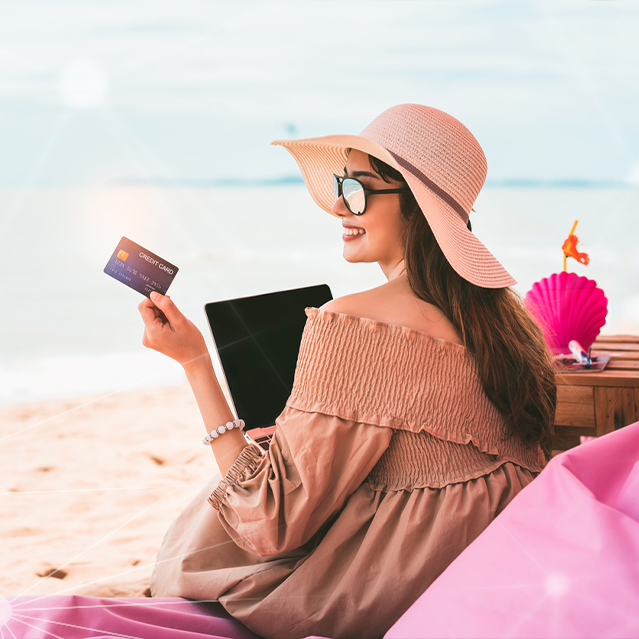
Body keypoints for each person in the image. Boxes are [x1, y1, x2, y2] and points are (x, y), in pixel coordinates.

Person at [139, 104, 557, 639]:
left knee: (208, 526)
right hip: (485, 569)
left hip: (395, 587)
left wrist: (195, 362)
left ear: (417, 208)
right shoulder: (504, 326)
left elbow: (272, 523)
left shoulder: (353, 323)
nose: (338, 205)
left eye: (358, 189)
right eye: (341, 185)